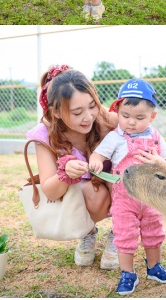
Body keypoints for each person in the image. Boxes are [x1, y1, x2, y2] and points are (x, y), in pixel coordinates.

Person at [87, 79, 166, 295]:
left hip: (152, 197)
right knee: (124, 234)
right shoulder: (115, 138)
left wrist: (163, 165)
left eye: (139, 118)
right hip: (125, 199)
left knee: (154, 231)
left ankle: (154, 267)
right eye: (125, 116)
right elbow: (99, 154)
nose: (131, 122)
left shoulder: (156, 138)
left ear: (152, 116)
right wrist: (96, 160)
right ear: (117, 111)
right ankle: (128, 273)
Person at [26, 65, 119, 269]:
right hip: (88, 195)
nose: (88, 117)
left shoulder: (106, 119)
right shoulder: (45, 135)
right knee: (92, 194)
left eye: (92, 105)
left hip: (117, 188)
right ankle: (87, 232)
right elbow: (50, 191)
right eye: (77, 112)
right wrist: (65, 174)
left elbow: (144, 132)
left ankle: (121, 232)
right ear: (56, 112)